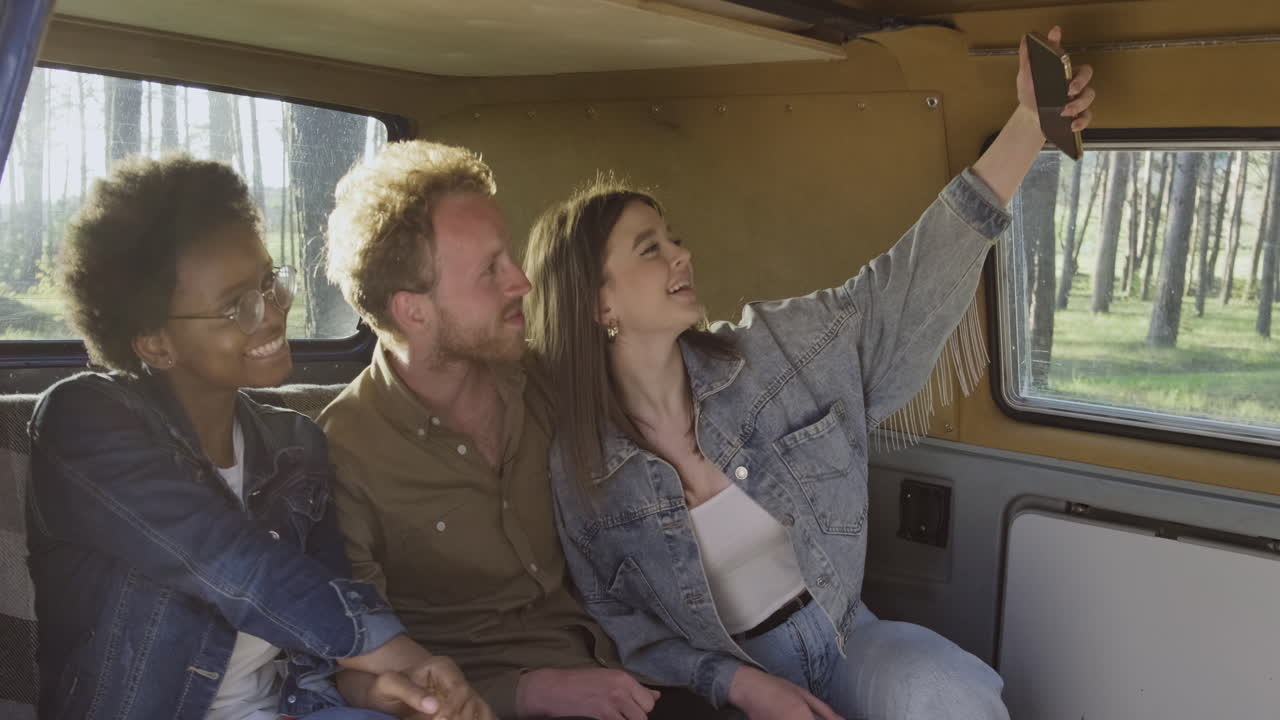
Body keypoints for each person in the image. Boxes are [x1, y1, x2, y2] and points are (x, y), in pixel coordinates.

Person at [522, 28, 1095, 720]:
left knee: (944, 691)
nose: (682, 255)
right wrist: (738, 685)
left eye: (674, 238)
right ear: (598, 303)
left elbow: (903, 290)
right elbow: (624, 629)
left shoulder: (775, 351)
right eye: (652, 248)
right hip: (727, 685)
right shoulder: (579, 468)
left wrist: (1029, 128)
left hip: (847, 638)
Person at [26, 154, 492, 720]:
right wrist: (391, 646)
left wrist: (388, 688)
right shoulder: (82, 421)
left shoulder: (296, 444)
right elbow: (236, 565)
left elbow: (319, 654)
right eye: (234, 307)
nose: (271, 315)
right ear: (155, 344)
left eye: (270, 284)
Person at [319, 141, 726, 720]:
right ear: (414, 311)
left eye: (507, 256)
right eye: (490, 270)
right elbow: (359, 661)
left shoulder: (547, 382)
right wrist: (533, 692)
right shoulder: (346, 451)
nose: (522, 282)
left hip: (638, 670)